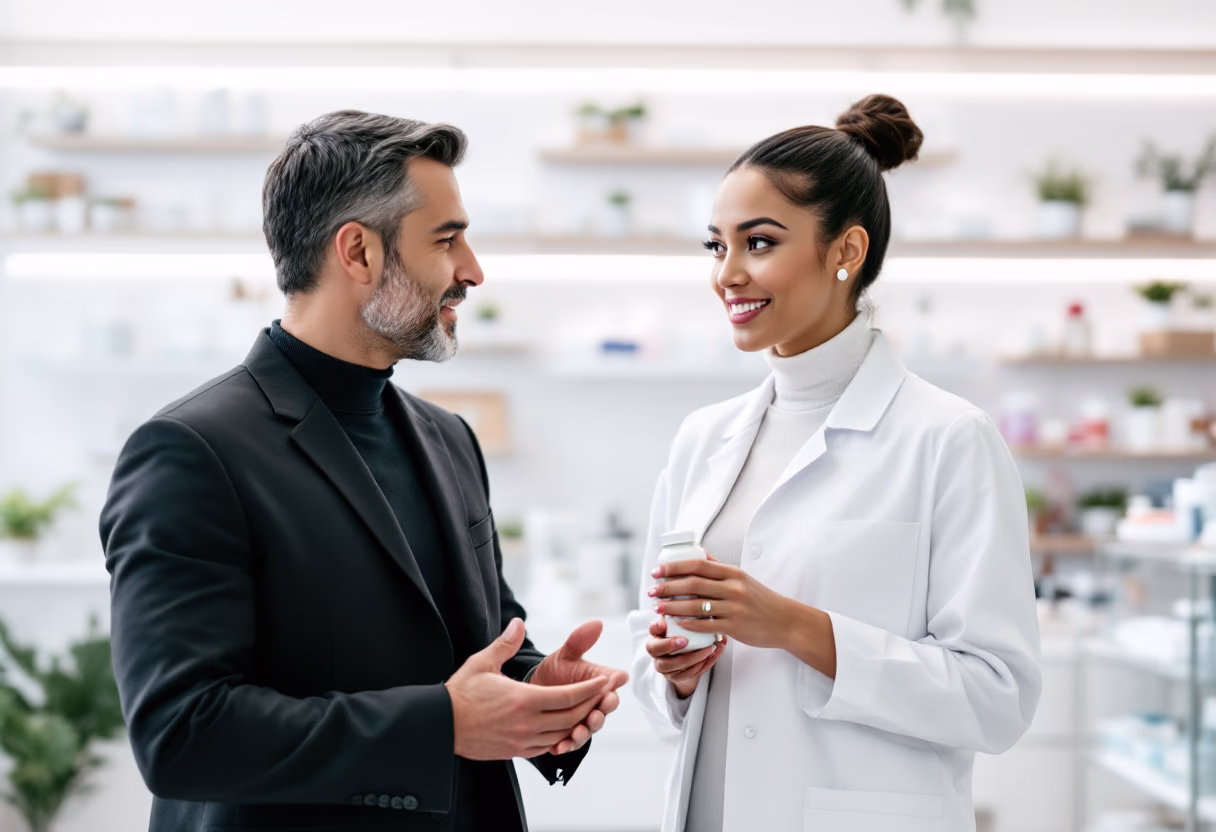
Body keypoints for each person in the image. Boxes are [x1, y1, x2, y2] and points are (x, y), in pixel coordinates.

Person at [101, 110, 628, 832]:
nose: (472, 271)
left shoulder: (449, 439)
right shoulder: (192, 450)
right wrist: (441, 724)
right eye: (446, 240)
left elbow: (481, 644)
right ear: (358, 252)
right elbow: (183, 733)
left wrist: (538, 688)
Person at [628, 95, 1041, 832]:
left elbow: (998, 697)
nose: (727, 274)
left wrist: (793, 627)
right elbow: (650, 646)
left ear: (845, 252)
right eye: (715, 246)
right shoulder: (704, 438)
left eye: (758, 243)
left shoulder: (948, 438)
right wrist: (672, 672)